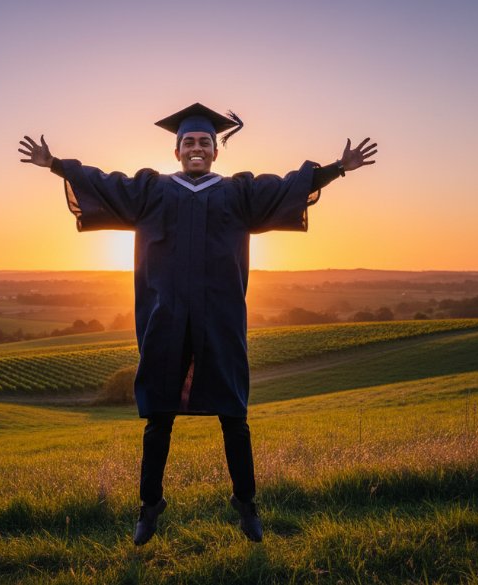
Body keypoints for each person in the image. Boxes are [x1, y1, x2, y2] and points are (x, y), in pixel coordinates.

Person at [19, 103, 376, 545]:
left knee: (233, 417)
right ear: (176, 149)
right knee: (158, 419)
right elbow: (103, 184)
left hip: (220, 322)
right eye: (189, 142)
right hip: (165, 320)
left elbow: (286, 188)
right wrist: (54, 164)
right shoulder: (151, 190)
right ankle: (149, 507)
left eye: (204, 142)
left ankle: (246, 504)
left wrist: (337, 169)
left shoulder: (238, 193)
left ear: (214, 151)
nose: (196, 148)